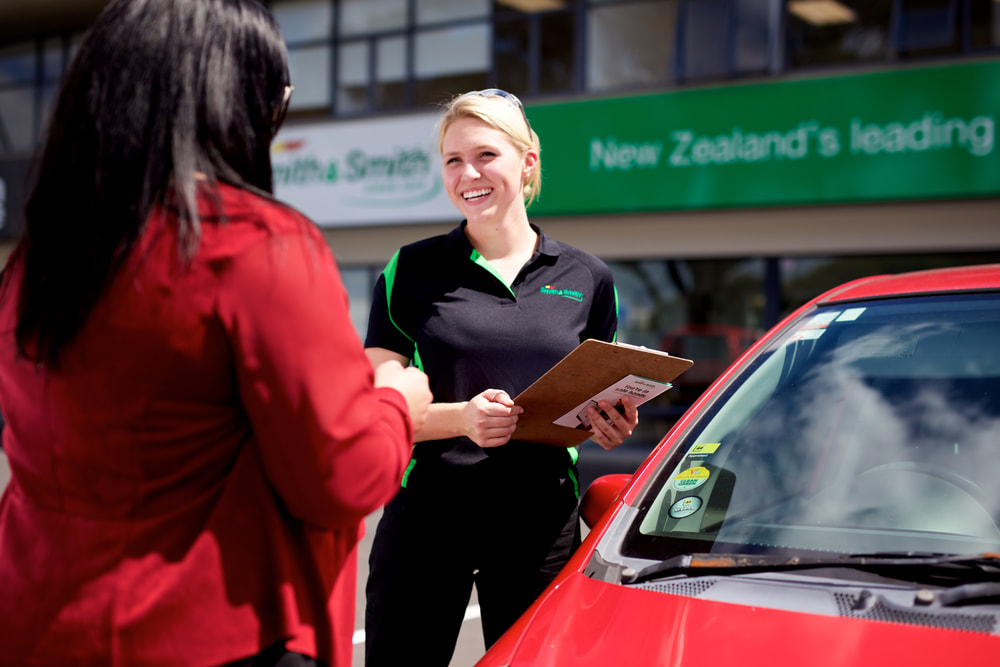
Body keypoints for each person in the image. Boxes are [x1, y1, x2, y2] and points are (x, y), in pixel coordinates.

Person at [0, 1, 431, 665]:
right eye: (278, 94)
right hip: (215, 631)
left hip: (38, 619)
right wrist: (397, 402)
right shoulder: (256, 245)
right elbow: (340, 475)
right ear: (235, 98)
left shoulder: (38, 259)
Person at [363, 89, 640, 666]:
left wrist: (608, 422)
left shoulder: (588, 277)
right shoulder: (411, 269)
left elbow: (594, 393)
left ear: (527, 162)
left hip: (540, 524)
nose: (468, 174)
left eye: (486, 155)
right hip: (427, 520)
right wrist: (461, 418)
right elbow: (373, 405)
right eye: (453, 160)